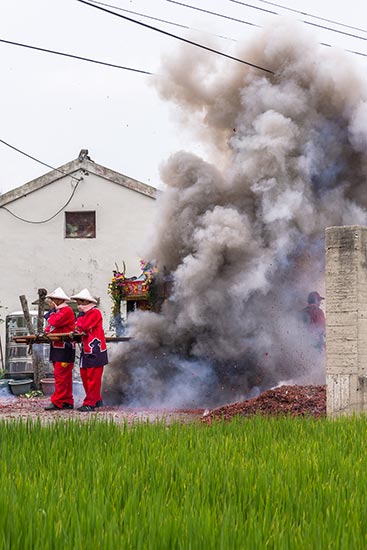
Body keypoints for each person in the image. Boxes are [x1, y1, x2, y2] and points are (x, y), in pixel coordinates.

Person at [71, 288, 108, 412]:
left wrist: (79, 320)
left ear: (88, 302)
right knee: (85, 375)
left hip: (95, 350)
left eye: (81, 302)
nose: (79, 305)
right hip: (87, 349)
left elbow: (83, 326)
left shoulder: (94, 312)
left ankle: (90, 403)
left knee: (93, 377)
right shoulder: (86, 314)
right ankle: (96, 399)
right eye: (78, 302)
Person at [43, 287, 76, 411]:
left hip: (64, 348)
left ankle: (57, 401)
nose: (51, 301)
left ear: (59, 299)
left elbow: (54, 322)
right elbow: (50, 327)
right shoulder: (59, 311)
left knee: (61, 376)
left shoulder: (66, 310)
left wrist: (51, 312)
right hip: (58, 347)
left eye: (53, 299)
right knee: (64, 377)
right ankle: (67, 400)